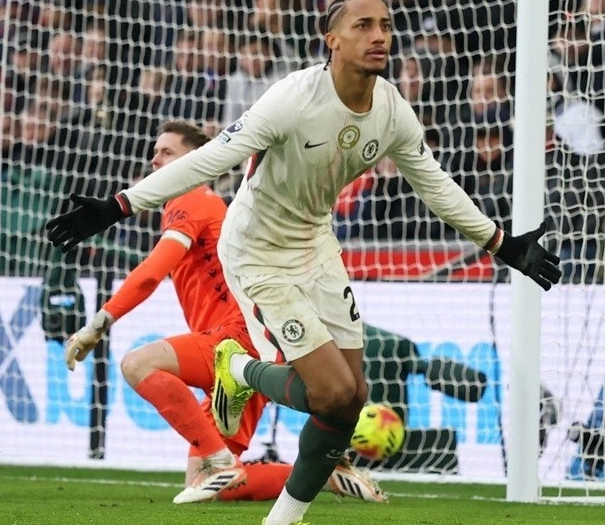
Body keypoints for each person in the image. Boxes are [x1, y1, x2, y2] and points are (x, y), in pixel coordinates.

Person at [46, 0, 562, 525]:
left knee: (353, 399)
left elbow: (435, 185)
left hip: (315, 243)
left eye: (385, 25)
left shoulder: (391, 110)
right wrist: (120, 204)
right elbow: (214, 157)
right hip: (256, 249)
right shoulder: (293, 98)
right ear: (331, 40)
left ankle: (283, 518)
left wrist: (502, 244)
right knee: (329, 392)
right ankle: (238, 368)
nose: (380, 36)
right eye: (363, 26)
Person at [63, 120, 385, 505]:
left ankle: (221, 460)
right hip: (251, 343)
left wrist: (99, 323)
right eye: (155, 152)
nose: (155, 160)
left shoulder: (191, 198)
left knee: (138, 364)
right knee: (205, 484)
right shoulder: (205, 205)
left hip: (233, 342)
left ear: (195, 161)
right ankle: (325, 473)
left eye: (167, 152)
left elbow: (152, 272)